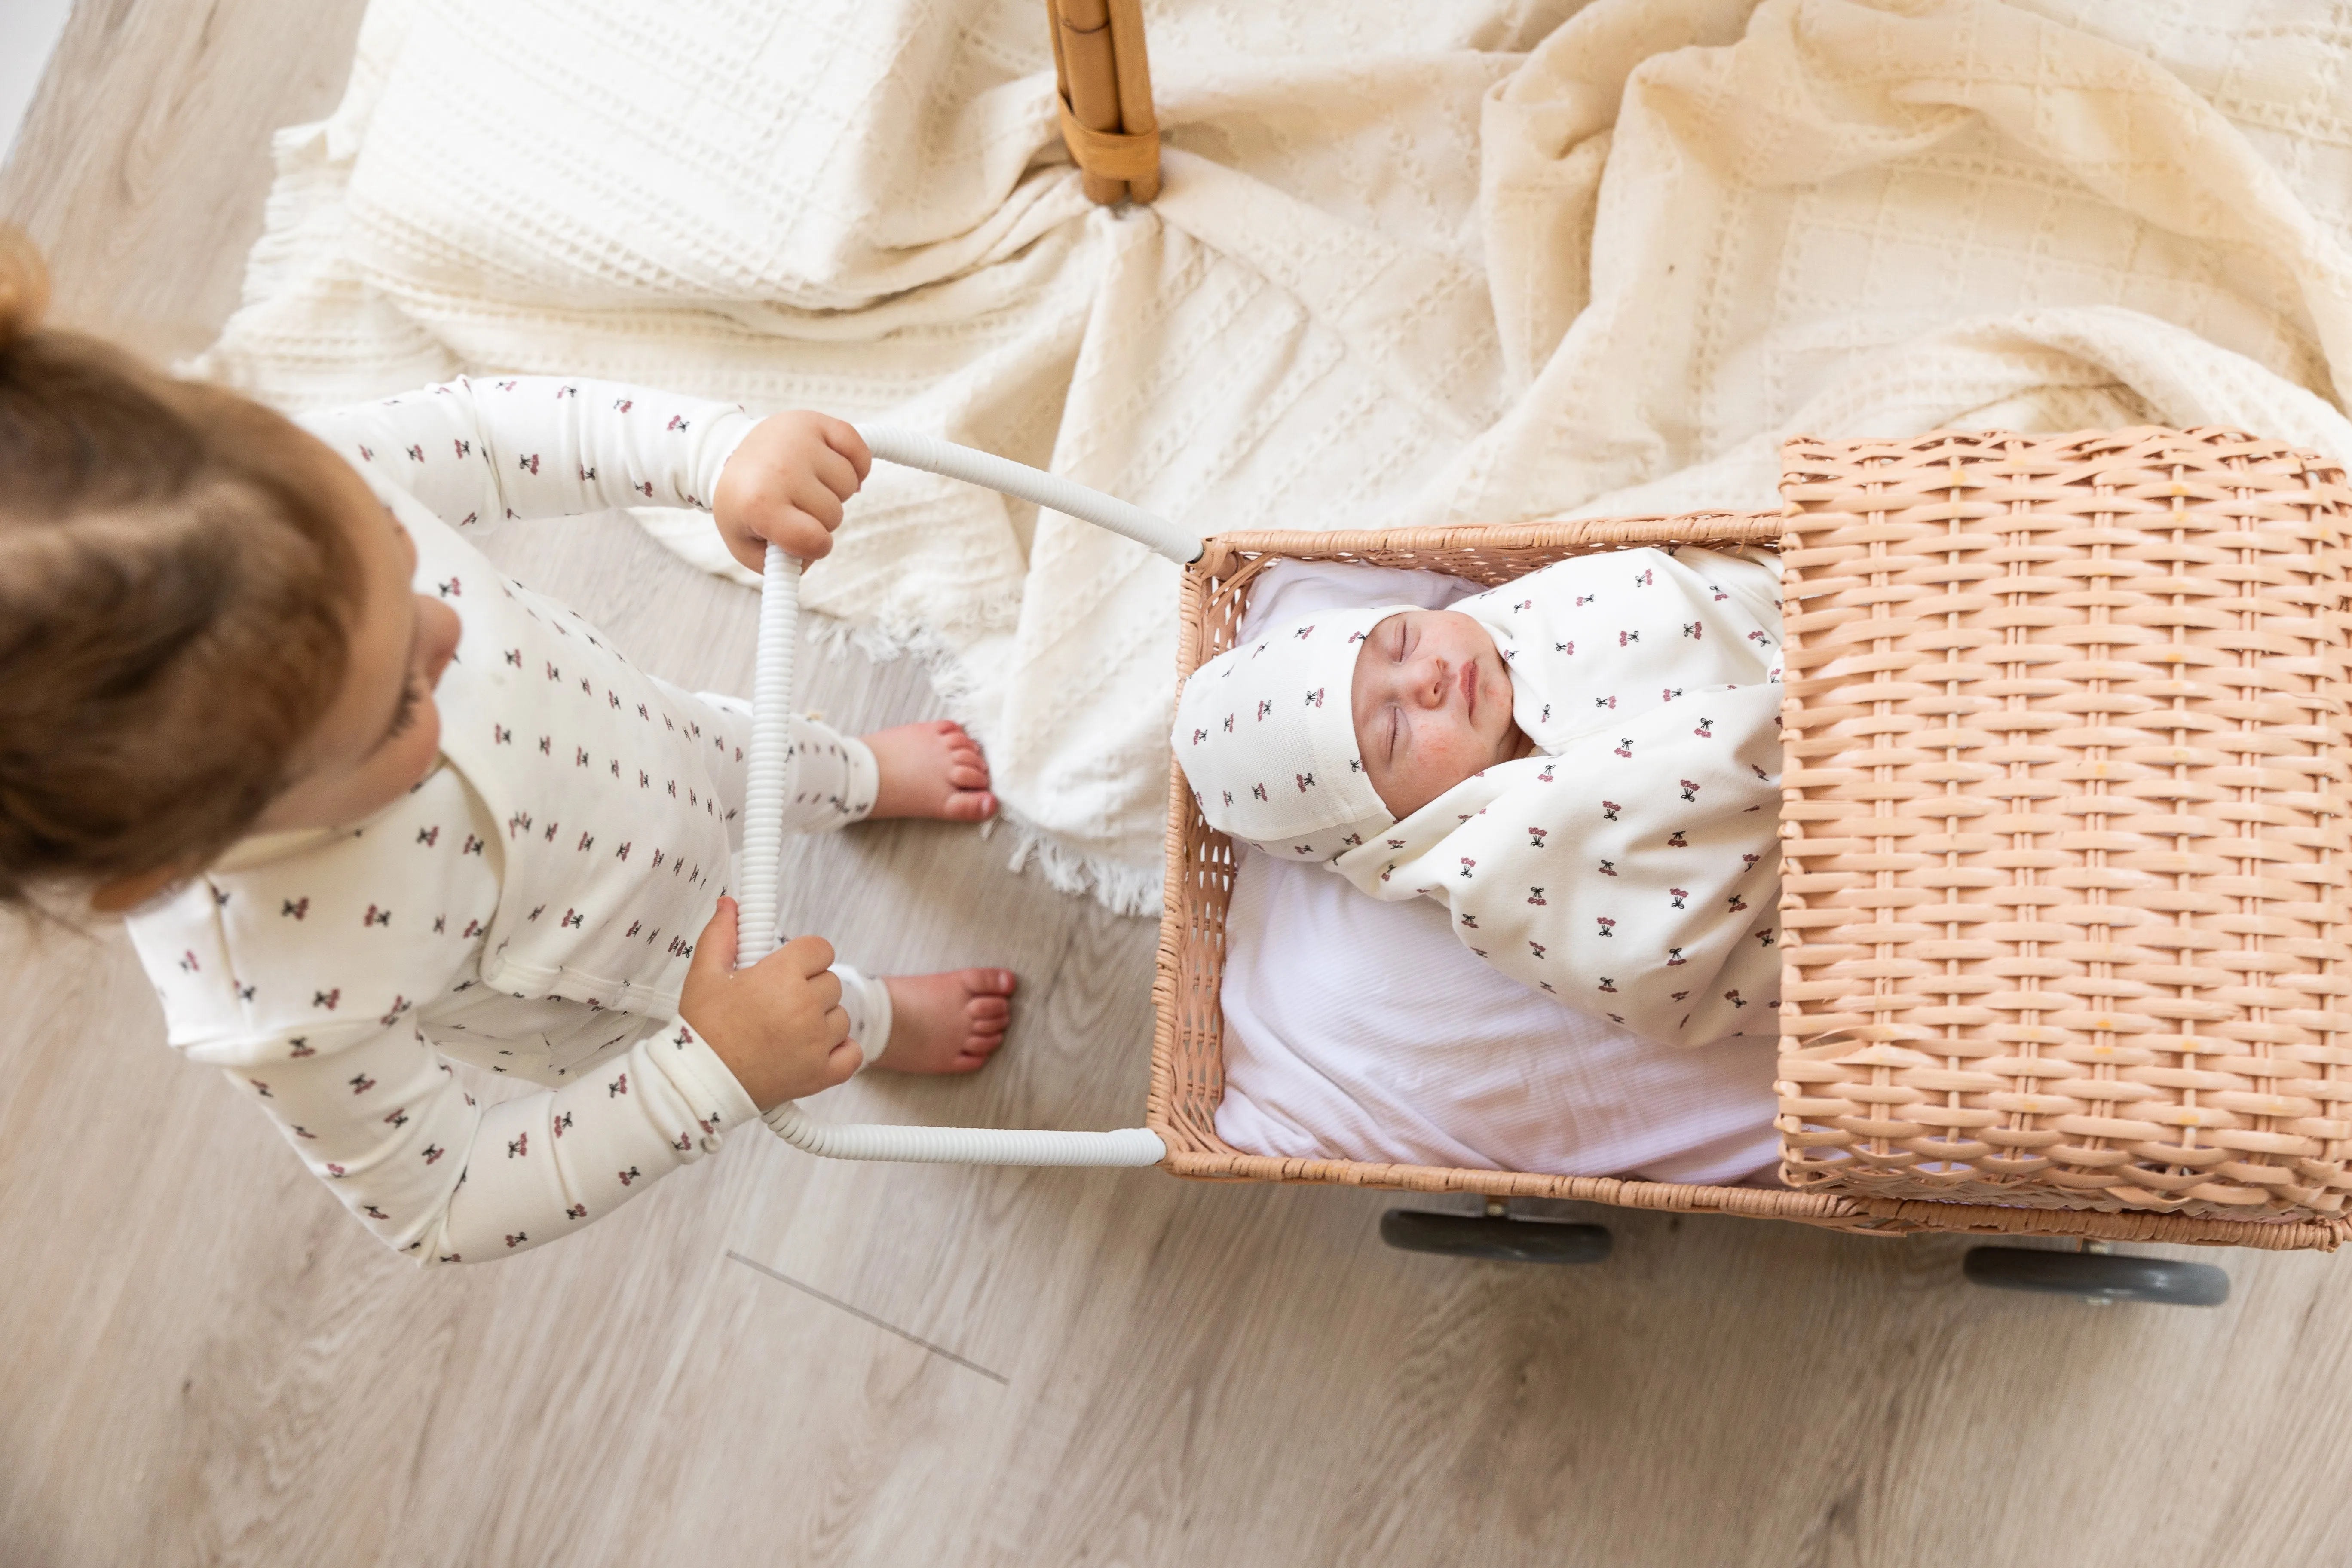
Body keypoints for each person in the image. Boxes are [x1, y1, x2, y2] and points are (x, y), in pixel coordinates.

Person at [0, 229, 1014, 1264]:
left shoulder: (277, 491)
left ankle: (855, 778)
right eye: (393, 706)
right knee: (789, 1012)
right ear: (177, 847)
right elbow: (442, 1203)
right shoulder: (278, 996)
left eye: (402, 564)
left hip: (638, 736)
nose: (446, 632)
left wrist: (709, 455)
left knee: (745, 748)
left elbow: (483, 435)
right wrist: (712, 1070)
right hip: (618, 980)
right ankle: (876, 1024)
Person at [1173, 542, 1785, 1047]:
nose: (1425, 677)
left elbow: (1703, 586)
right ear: (1393, 827)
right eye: (1394, 730)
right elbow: (1647, 969)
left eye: (1402, 641)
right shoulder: (1499, 875)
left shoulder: (1547, 611)